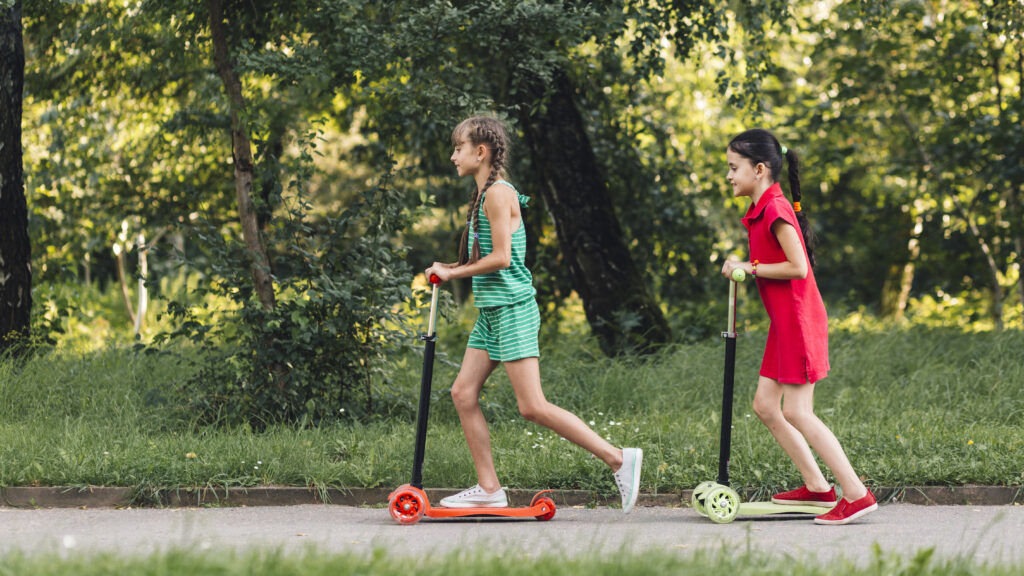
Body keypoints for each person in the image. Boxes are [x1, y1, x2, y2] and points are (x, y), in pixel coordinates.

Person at [424, 115, 643, 512]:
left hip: (513, 310)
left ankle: (618, 458)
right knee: (463, 393)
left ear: (480, 152)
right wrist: (449, 267)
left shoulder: (498, 194)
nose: (453, 156)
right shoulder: (483, 195)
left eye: (458, 148)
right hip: (492, 312)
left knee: (532, 406)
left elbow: (502, 258)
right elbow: (483, 258)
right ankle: (489, 489)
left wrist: (453, 273)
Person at [719, 128, 876, 525]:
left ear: (759, 169)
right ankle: (818, 487)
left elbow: (798, 267)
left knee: (798, 412)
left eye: (734, 168)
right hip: (784, 324)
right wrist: (747, 266)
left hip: (799, 323)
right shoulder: (761, 210)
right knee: (765, 406)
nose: (729, 175)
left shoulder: (775, 209)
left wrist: (749, 267)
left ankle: (856, 494)